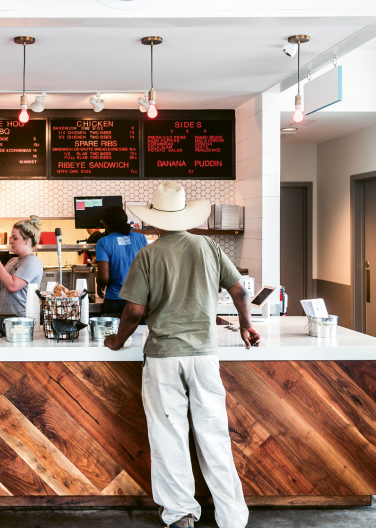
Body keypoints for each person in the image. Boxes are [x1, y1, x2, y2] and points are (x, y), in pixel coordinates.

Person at [104, 181, 260, 528]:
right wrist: (247, 326)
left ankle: (181, 514)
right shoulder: (208, 247)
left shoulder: (149, 254)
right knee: (214, 435)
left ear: (156, 221)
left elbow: (133, 312)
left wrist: (117, 340)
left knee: (168, 435)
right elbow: (240, 291)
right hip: (204, 355)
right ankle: (232, 518)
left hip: (163, 358)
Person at [0, 215, 44, 317]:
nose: (11, 241)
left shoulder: (32, 262)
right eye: (11, 237)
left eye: (15, 238)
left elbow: (12, 286)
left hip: (21, 321)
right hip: (4, 318)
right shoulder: (12, 261)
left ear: (27, 241)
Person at [95, 206, 148, 316]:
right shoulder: (141, 238)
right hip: (138, 299)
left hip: (115, 300)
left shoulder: (103, 242)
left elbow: (103, 278)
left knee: (112, 332)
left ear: (106, 224)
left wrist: (99, 285)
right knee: (139, 332)